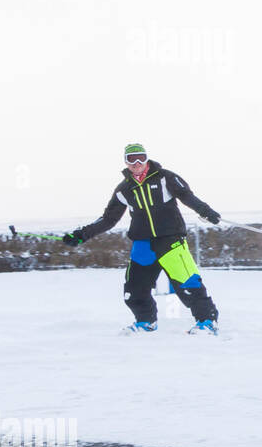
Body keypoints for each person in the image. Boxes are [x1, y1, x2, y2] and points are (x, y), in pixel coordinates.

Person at [63, 143, 223, 335]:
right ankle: (145, 322)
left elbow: (187, 197)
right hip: (143, 244)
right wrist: (81, 235)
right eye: (131, 159)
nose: (137, 163)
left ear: (146, 158)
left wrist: (207, 212)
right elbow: (108, 219)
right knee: (134, 289)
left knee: (187, 282)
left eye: (140, 157)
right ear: (126, 162)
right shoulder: (124, 189)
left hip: (170, 240)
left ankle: (207, 321)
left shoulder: (166, 177)